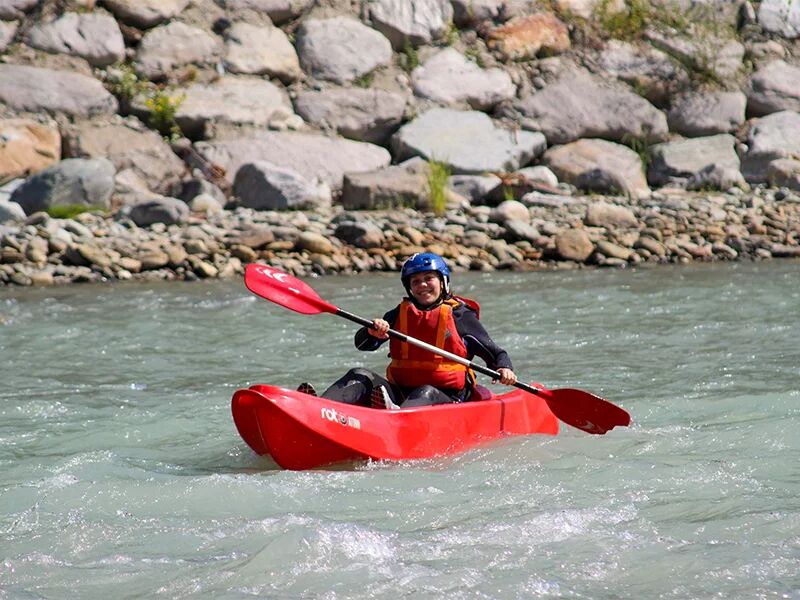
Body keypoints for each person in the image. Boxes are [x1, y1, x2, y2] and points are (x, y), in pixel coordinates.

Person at [299, 252, 517, 409]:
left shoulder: (460, 316)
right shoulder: (399, 313)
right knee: (359, 375)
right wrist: (372, 333)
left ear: (443, 282)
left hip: (446, 397)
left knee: (425, 390)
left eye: (428, 279)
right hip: (400, 391)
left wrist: (504, 369)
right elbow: (363, 344)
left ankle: (394, 417)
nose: (422, 285)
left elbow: (497, 354)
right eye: (416, 281)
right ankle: (316, 409)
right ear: (409, 288)